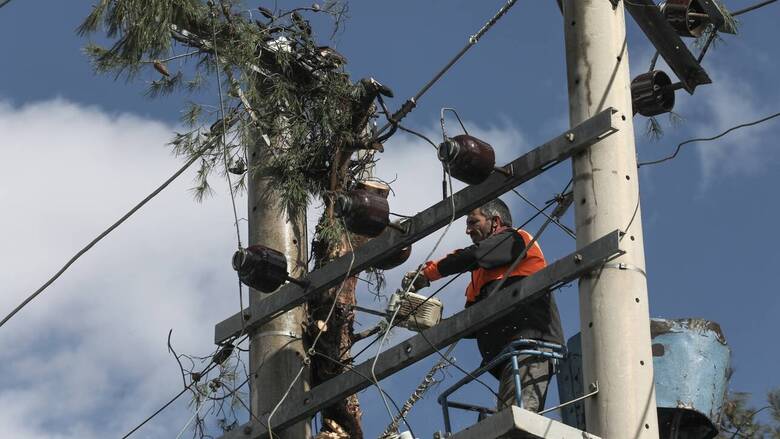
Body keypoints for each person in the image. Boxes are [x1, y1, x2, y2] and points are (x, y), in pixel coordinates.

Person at [401, 198, 564, 412]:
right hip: (509, 355)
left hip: (531, 347)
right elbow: (475, 323)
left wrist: (427, 274)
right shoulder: (482, 275)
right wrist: (436, 322)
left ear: (495, 221)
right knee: (509, 418)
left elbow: (473, 254)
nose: (468, 230)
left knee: (517, 422)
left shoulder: (517, 239)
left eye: (473, 222)